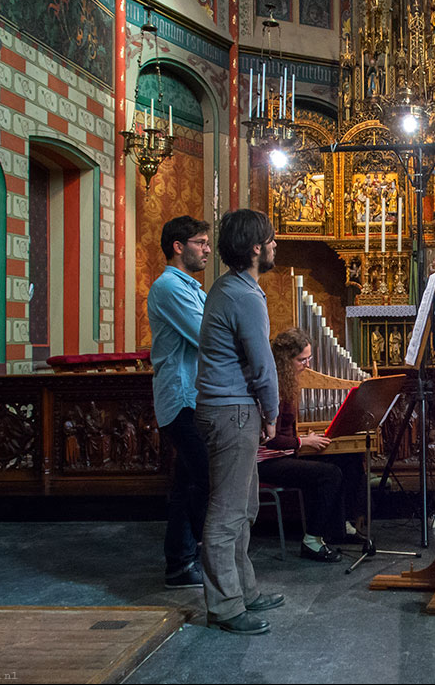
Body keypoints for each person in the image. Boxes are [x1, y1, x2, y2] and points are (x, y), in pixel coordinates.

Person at [194, 209, 284, 635]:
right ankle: (225, 606)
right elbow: (263, 363)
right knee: (228, 513)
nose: (274, 245)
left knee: (245, 509)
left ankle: (244, 590)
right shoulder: (243, 295)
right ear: (254, 248)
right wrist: (273, 412)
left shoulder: (231, 288)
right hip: (233, 411)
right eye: (270, 239)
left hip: (230, 408)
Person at [259, 327, 366, 563]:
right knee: (329, 475)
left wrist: (303, 438)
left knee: (349, 459)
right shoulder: (272, 385)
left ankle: (340, 527)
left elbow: (285, 429)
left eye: (309, 358)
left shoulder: (287, 381)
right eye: (302, 359)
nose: (307, 364)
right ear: (285, 360)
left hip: (285, 453)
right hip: (267, 461)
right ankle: (312, 541)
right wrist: (302, 442)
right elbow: (270, 437)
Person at [147, 216, 212, 589]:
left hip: (193, 396)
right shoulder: (169, 287)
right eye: (200, 242)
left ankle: (180, 563)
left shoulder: (191, 287)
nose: (206, 249)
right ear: (178, 246)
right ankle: (195, 557)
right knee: (203, 480)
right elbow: (206, 335)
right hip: (183, 397)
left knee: (189, 481)